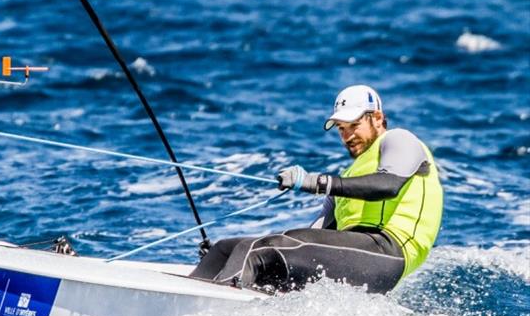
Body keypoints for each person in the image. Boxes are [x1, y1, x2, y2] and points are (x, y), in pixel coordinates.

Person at [190, 85, 443, 294]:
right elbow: (313, 234)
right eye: (341, 130)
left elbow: (388, 186)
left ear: (377, 118)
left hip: (388, 250)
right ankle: (193, 293)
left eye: (353, 126)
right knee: (226, 248)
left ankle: (218, 299)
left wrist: (318, 182)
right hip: (351, 250)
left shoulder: (399, 139)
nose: (347, 136)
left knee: (261, 250)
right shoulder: (350, 174)